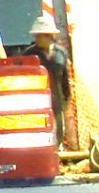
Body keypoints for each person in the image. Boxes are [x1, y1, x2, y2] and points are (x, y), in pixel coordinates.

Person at [29, 14, 72, 149]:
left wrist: (67, 97)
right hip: (37, 101)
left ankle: (56, 155)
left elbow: (65, 77)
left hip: (57, 99)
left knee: (58, 129)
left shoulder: (60, 54)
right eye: (36, 36)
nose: (37, 39)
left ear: (49, 36)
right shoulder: (29, 55)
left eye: (40, 35)